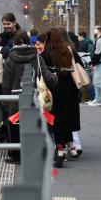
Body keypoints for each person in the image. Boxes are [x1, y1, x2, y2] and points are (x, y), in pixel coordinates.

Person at [42, 28, 83, 167]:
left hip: (54, 91)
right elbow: (80, 66)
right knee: (67, 118)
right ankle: (70, 147)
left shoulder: (46, 54)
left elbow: (42, 73)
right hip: (71, 91)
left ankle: (60, 148)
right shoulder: (69, 50)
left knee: (57, 121)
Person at [1, 29, 33, 163]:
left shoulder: (11, 59)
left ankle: (16, 154)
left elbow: (6, 82)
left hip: (15, 98)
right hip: (32, 97)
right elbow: (45, 76)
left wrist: (5, 101)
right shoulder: (36, 56)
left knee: (15, 125)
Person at [78, 31, 96, 102]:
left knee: (89, 82)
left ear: (82, 37)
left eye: (78, 36)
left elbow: (91, 54)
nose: (78, 38)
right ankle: (93, 98)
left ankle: (94, 98)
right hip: (86, 65)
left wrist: (91, 63)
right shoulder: (84, 43)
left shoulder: (88, 43)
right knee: (86, 82)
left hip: (87, 65)